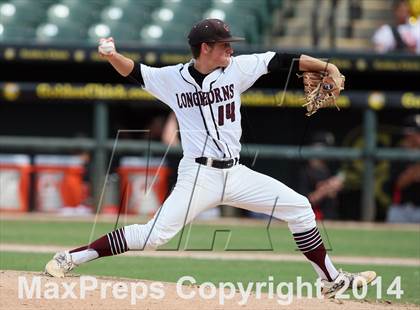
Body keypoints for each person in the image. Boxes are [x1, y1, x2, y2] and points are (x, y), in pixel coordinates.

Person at [45, 18, 375, 298]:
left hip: (236, 174)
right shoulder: (172, 79)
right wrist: (112, 54)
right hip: (198, 176)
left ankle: (330, 281)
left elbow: (282, 59)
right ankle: (70, 257)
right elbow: (135, 72)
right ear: (205, 48)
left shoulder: (238, 69)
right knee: (153, 237)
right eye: (224, 45)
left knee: (301, 208)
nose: (230, 49)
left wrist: (327, 65)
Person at [298, 132, 343, 220]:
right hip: (312, 220)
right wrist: (325, 189)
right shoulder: (305, 172)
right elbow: (303, 203)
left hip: (332, 219)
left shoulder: (331, 168)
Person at [387, 114, 420, 223]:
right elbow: (398, 184)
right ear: (409, 134)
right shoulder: (398, 153)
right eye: (417, 133)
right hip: (400, 209)